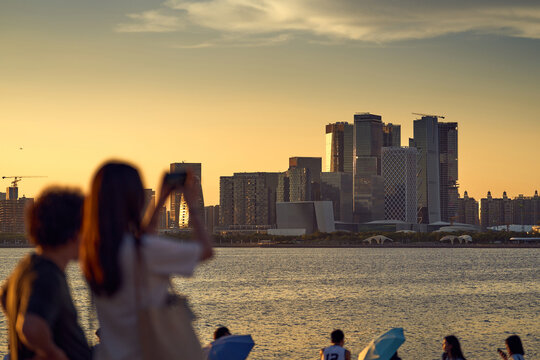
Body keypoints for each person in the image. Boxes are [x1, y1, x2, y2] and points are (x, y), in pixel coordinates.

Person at [79, 161, 213, 360]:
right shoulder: (145, 251)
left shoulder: (91, 252)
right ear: (135, 199)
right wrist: (191, 205)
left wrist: (161, 201)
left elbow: (141, 242)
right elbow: (205, 251)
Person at [0, 188, 91, 360]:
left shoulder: (27, 266)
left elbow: (5, 298)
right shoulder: (47, 276)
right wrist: (53, 353)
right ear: (74, 234)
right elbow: (31, 327)